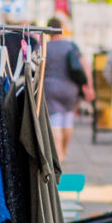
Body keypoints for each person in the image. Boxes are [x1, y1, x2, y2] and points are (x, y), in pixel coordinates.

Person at [42, 19, 90, 160]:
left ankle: (58, 153)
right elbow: (84, 67)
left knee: (55, 120)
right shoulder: (71, 46)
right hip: (70, 88)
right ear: (61, 28)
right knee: (68, 118)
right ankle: (64, 148)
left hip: (50, 87)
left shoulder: (45, 47)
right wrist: (88, 87)